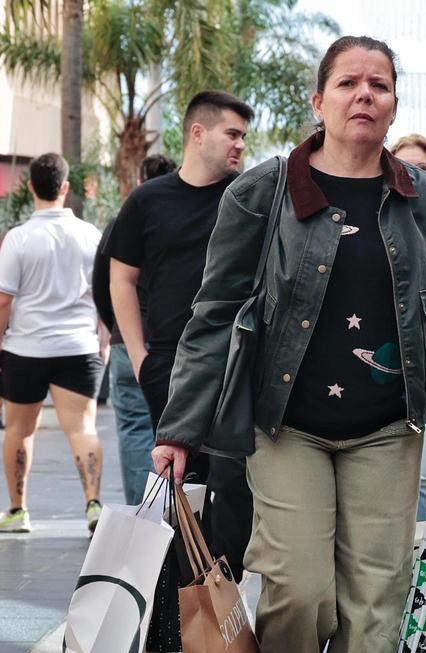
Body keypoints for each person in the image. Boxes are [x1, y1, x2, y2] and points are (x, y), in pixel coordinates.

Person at [150, 36, 426, 653]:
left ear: (395, 100)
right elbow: (212, 313)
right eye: (348, 83)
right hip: (285, 424)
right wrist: (181, 427)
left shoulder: (421, 198)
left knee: (377, 607)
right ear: (319, 100)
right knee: (300, 593)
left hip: (386, 430)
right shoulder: (264, 193)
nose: (364, 95)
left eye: (380, 83)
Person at [109, 90, 255, 579]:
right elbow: (121, 277)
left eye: (243, 137)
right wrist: (139, 356)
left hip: (235, 366)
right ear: (198, 133)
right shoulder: (148, 200)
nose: (239, 145)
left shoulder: (247, 198)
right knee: (180, 491)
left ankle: (222, 597)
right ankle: (177, 610)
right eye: (231, 134)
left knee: (233, 487)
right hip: (168, 365)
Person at [0, 153, 105, 534]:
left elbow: (3, 300)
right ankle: (93, 506)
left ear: (32, 188)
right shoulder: (91, 235)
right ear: (65, 188)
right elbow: (106, 294)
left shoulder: (19, 239)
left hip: (26, 350)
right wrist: (102, 339)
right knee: (82, 427)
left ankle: (17, 511)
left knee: (19, 430)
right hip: (78, 347)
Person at [92, 153, 177, 505]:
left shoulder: (122, 219)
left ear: (140, 180)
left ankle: (143, 519)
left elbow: (102, 283)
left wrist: (114, 326)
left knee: (133, 431)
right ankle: (178, 517)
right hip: (168, 342)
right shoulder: (182, 218)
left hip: (128, 343)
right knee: (177, 433)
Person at [387, 133, 426, 522]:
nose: (411, 176)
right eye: (403, 167)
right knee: (415, 476)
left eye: (421, 169)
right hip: (402, 377)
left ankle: (425, 559)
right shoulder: (384, 230)